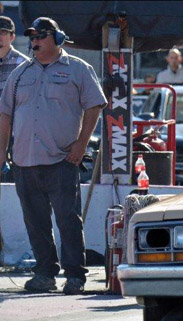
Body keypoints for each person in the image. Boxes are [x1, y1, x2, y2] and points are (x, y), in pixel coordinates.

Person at [0, 17, 107, 294]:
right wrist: (2, 152)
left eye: (41, 37)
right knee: (35, 222)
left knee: (68, 220)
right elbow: (5, 115)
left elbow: (94, 105)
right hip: (24, 160)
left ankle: (75, 276)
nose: (35, 42)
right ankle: (45, 274)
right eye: (32, 37)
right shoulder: (21, 73)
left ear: (57, 39)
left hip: (62, 159)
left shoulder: (78, 69)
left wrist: (82, 143)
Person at [0, 16, 28, 181]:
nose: (0, 37)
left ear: (12, 37)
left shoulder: (23, 65)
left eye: (4, 32)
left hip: (14, 136)